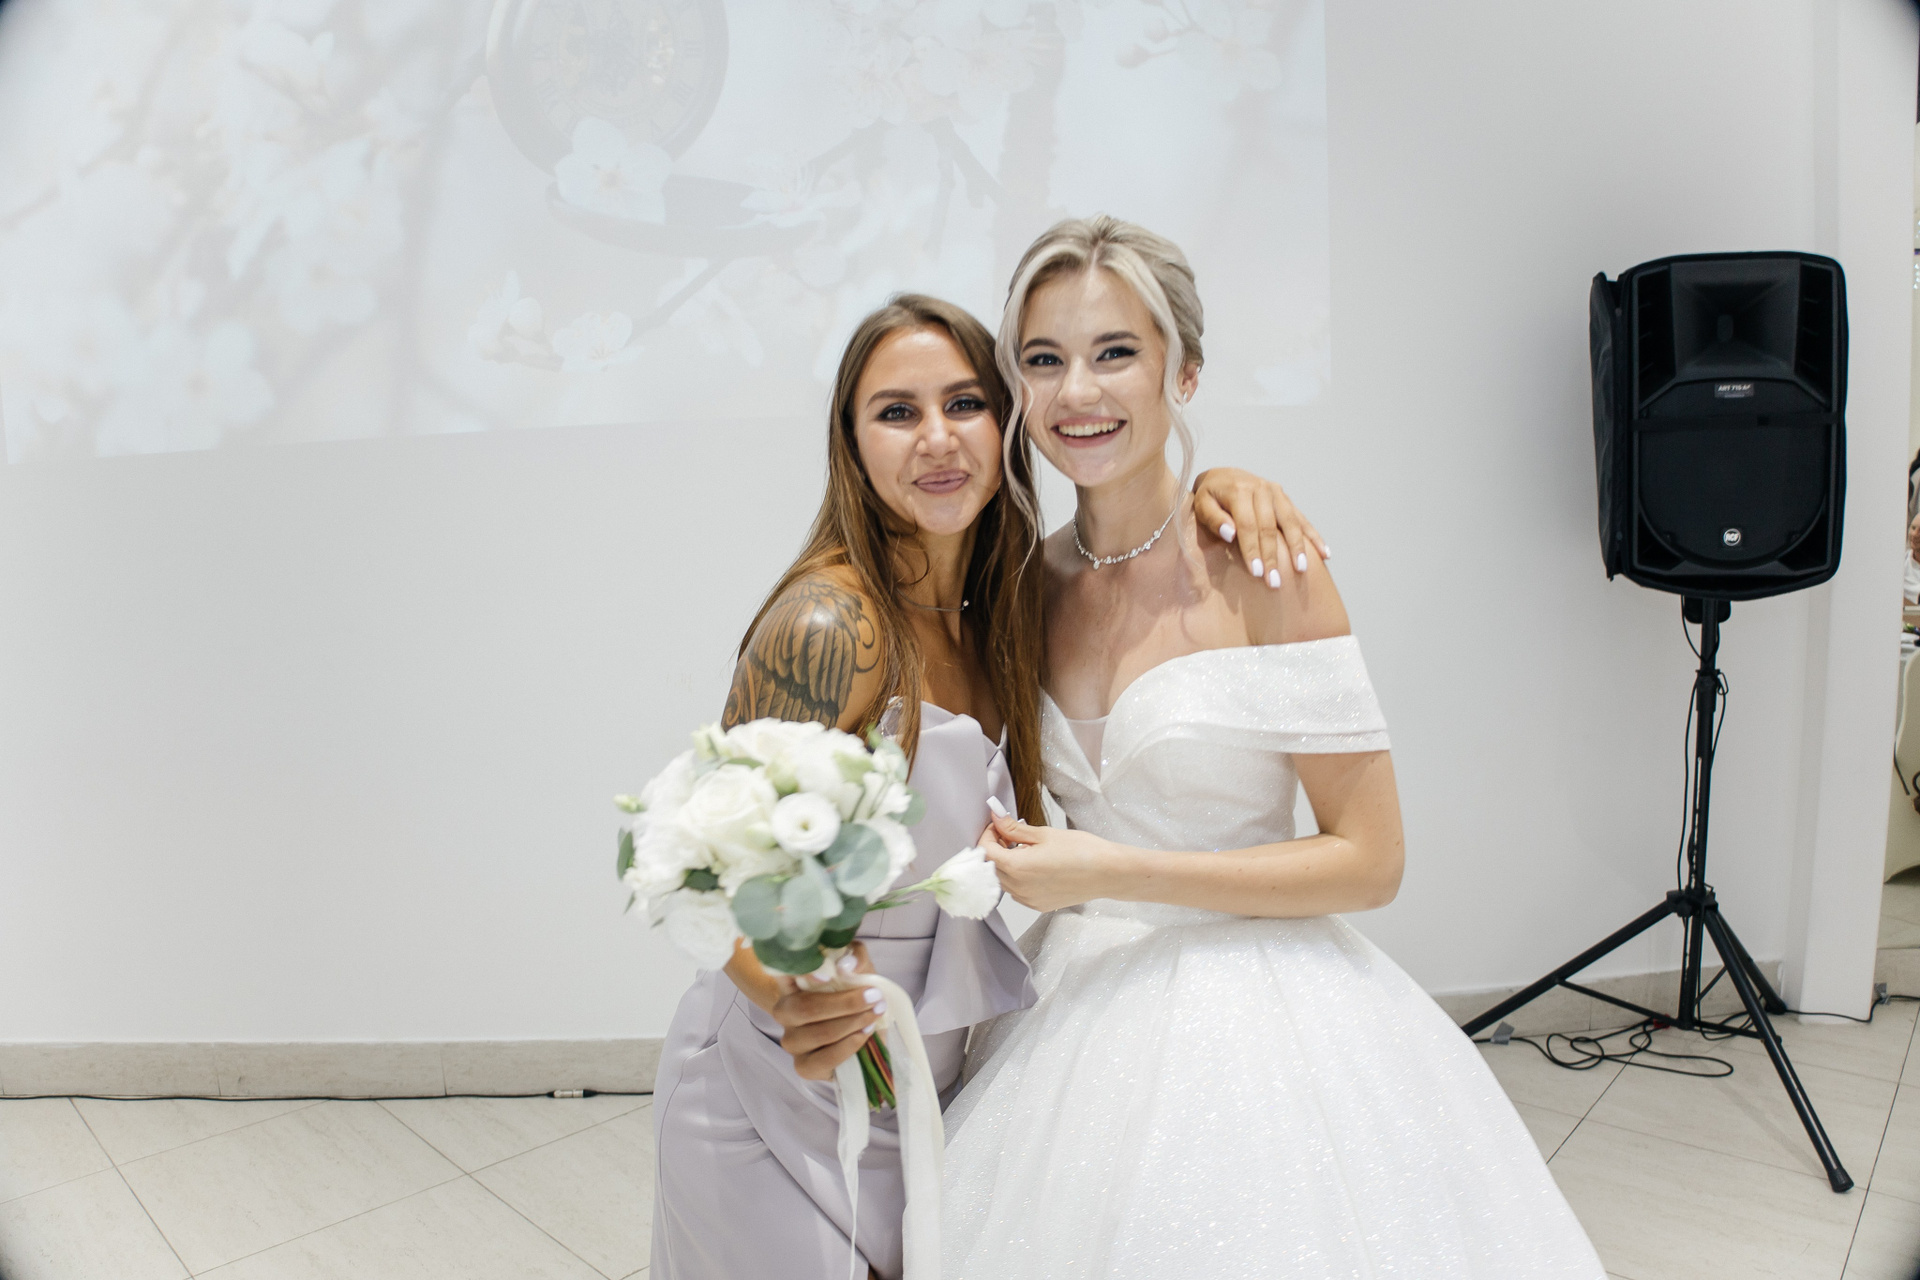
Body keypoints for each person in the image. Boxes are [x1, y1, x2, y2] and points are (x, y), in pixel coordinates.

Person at [940, 216, 1606, 1278]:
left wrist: (1112, 872)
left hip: (1264, 1003)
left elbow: (1371, 859)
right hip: (1075, 1007)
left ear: (1184, 371)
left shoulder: (1267, 566)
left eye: (1116, 352)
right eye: (1044, 358)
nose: (1078, 391)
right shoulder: (1025, 585)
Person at [649, 292, 1324, 1280]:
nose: (937, 439)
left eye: (964, 403)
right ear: (851, 442)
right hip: (783, 1081)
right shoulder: (831, 627)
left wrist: (1220, 482)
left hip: (929, 1081)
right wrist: (783, 995)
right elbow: (699, 859)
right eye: (897, 411)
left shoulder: (1001, 615)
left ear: (1008, 424)